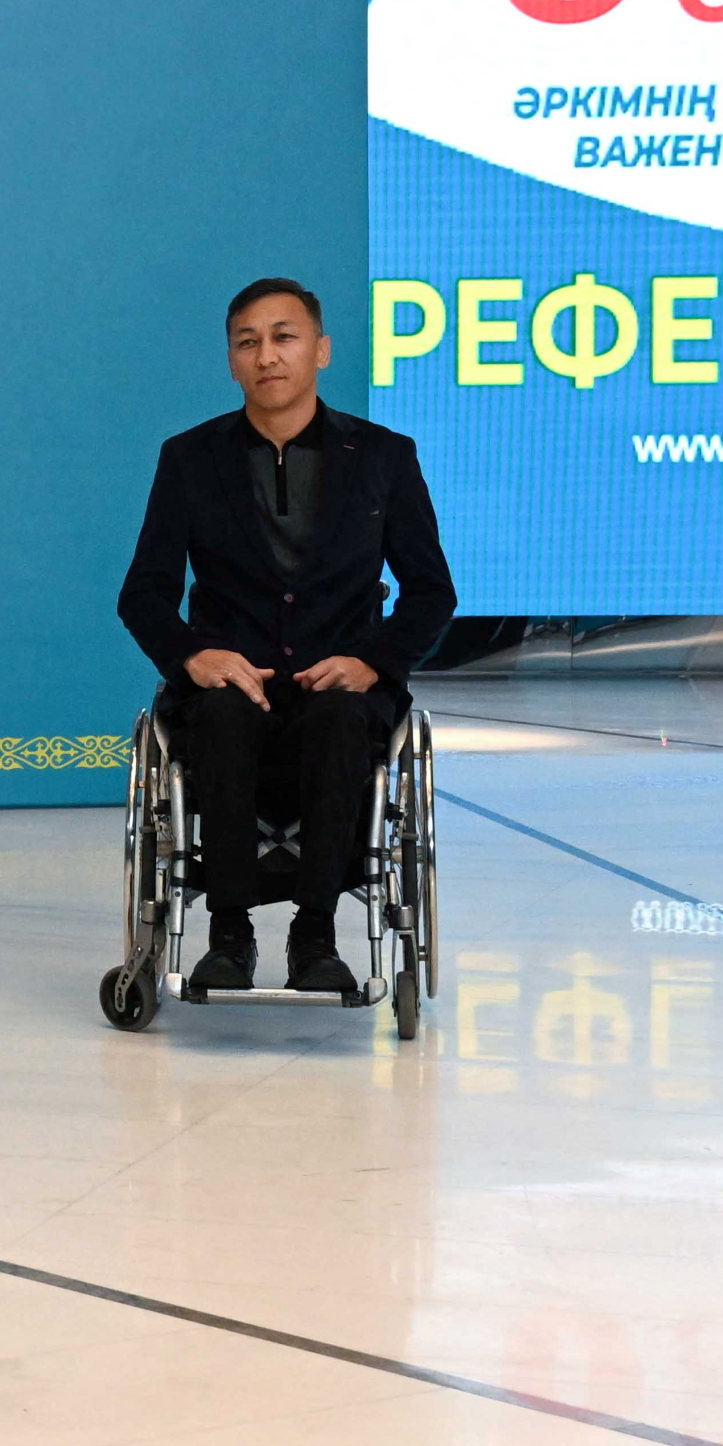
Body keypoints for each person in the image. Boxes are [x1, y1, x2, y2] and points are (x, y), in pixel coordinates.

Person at [115, 276, 456, 999]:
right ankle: (228, 934)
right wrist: (190, 656)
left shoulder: (384, 458)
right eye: (248, 342)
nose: (266, 355)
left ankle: (316, 935)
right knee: (222, 714)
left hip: (342, 686)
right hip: (227, 686)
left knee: (336, 719)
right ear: (232, 363)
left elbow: (432, 592)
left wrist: (373, 661)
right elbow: (142, 593)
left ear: (320, 350)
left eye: (283, 337)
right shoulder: (189, 458)